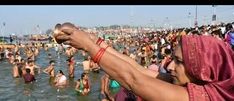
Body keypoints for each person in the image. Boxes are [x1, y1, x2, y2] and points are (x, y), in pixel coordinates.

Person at [55, 22, 234, 101]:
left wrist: (88, 47)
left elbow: (134, 80)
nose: (171, 66)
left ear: (202, 69)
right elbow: (138, 69)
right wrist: (96, 42)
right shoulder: (193, 86)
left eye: (179, 62)